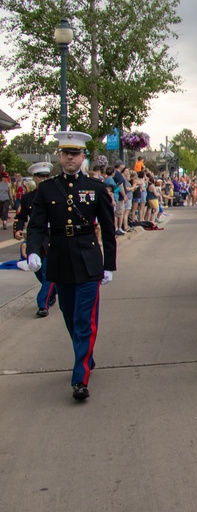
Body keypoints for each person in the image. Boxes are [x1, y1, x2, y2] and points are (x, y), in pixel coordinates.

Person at [25, 131, 116, 401]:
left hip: (88, 258)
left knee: (84, 320)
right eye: (65, 153)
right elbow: (37, 225)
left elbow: (109, 231)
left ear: (83, 157)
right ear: (59, 156)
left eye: (75, 154)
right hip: (60, 258)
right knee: (68, 316)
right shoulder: (47, 189)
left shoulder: (96, 188)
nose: (70, 158)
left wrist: (109, 264)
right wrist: (32, 251)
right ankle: (84, 356)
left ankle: (80, 378)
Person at [14, 162, 57, 316]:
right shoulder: (28, 198)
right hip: (36, 239)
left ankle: (42, 304)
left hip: (53, 237)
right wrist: (18, 229)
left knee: (48, 273)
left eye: (46, 176)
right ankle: (52, 293)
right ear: (34, 178)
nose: (44, 179)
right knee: (38, 271)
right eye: (40, 176)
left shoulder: (57, 194)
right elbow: (21, 216)